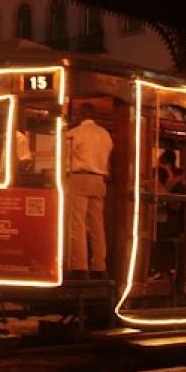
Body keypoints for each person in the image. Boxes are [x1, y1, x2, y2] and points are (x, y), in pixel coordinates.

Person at [65, 102, 113, 279]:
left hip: (79, 178)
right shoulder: (105, 134)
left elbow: (63, 156)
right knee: (97, 225)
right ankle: (99, 267)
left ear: (80, 114)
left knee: (76, 223)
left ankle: (79, 267)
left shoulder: (75, 133)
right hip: (99, 180)